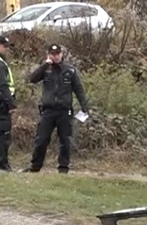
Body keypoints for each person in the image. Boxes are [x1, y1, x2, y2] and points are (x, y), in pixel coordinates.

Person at [25, 44, 89, 173]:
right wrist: (44, 65)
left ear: (61, 54)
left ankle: (63, 167)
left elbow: (79, 89)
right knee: (41, 139)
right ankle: (35, 166)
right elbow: (32, 79)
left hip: (64, 110)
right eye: (53, 54)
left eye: (57, 54)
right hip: (48, 110)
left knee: (65, 140)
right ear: (49, 54)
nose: (55, 56)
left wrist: (84, 106)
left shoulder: (70, 70)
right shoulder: (45, 69)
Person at [0, 36, 14, 171]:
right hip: (2, 104)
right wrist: (10, 103)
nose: (6, 49)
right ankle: (3, 164)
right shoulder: (0, 64)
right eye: (5, 46)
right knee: (4, 134)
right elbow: (3, 86)